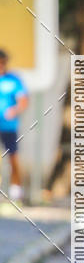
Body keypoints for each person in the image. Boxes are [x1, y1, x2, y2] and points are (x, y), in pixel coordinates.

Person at [0, 49, 29, 201]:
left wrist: (15, 110)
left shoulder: (13, 80)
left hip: (8, 126)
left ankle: (16, 192)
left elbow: (23, 101)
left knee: (13, 157)